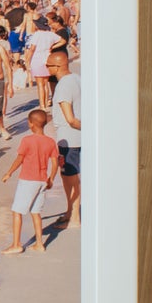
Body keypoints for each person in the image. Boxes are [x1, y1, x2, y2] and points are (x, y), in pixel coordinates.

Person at [1, 108, 59, 254]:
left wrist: (9, 173)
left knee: (17, 211)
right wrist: (51, 178)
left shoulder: (27, 140)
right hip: (42, 181)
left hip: (28, 180)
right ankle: (39, 243)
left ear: (31, 124)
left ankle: (16, 244)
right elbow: (55, 162)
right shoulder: (50, 142)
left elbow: (20, 159)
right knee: (35, 212)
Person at [51, 66, 82, 228]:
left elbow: (70, 119)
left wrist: (85, 127)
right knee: (70, 177)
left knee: (71, 179)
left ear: (57, 66)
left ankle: (74, 218)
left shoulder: (63, 86)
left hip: (68, 139)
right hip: (77, 139)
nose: (47, 69)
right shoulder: (77, 78)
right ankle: (70, 212)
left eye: (49, 66)